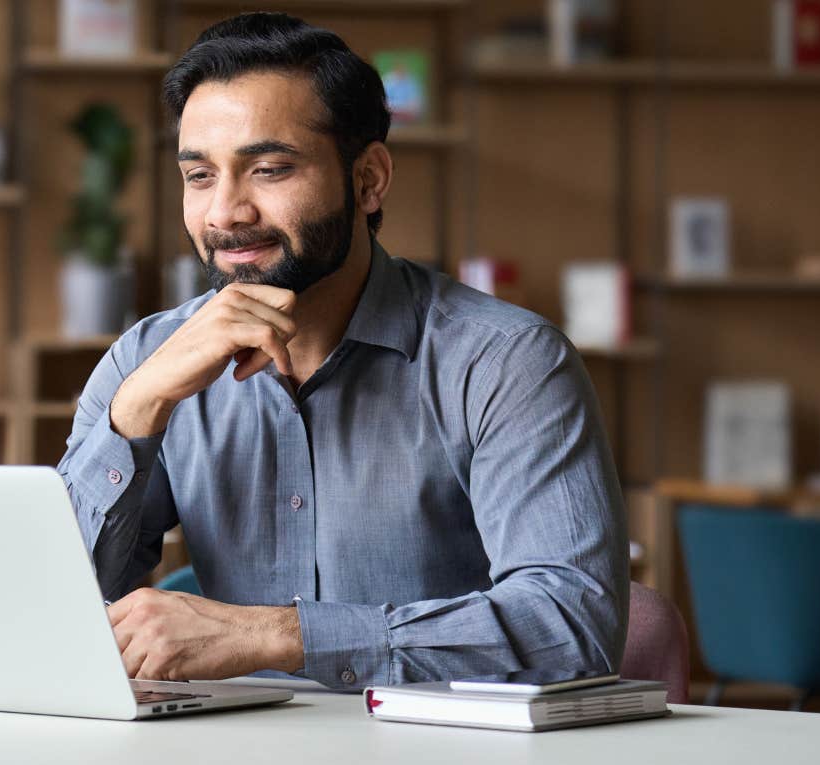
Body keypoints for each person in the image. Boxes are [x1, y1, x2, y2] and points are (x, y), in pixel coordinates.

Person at [57, 12, 628, 691]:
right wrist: (138, 412)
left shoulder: (507, 363)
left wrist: (282, 634)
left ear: (368, 180)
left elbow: (572, 625)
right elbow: (46, 615)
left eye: (268, 168)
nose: (225, 213)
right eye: (200, 175)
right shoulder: (144, 362)